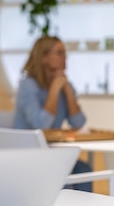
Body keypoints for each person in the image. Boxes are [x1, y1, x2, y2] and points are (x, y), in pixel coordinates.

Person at [13, 35, 92, 191]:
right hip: (27, 155)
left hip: (51, 153)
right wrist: (55, 89)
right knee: (63, 176)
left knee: (85, 170)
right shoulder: (28, 86)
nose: (65, 57)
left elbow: (79, 123)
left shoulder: (64, 84)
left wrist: (67, 90)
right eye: (60, 52)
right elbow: (41, 125)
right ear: (44, 58)